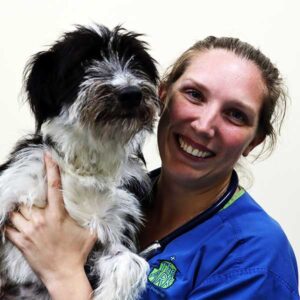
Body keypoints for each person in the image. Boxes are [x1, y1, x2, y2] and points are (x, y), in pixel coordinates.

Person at [6, 36, 299, 299]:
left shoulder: (255, 259)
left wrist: (65, 274)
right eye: (195, 95)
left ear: (254, 142)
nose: (205, 125)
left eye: (235, 115)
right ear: (162, 96)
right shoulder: (114, 193)